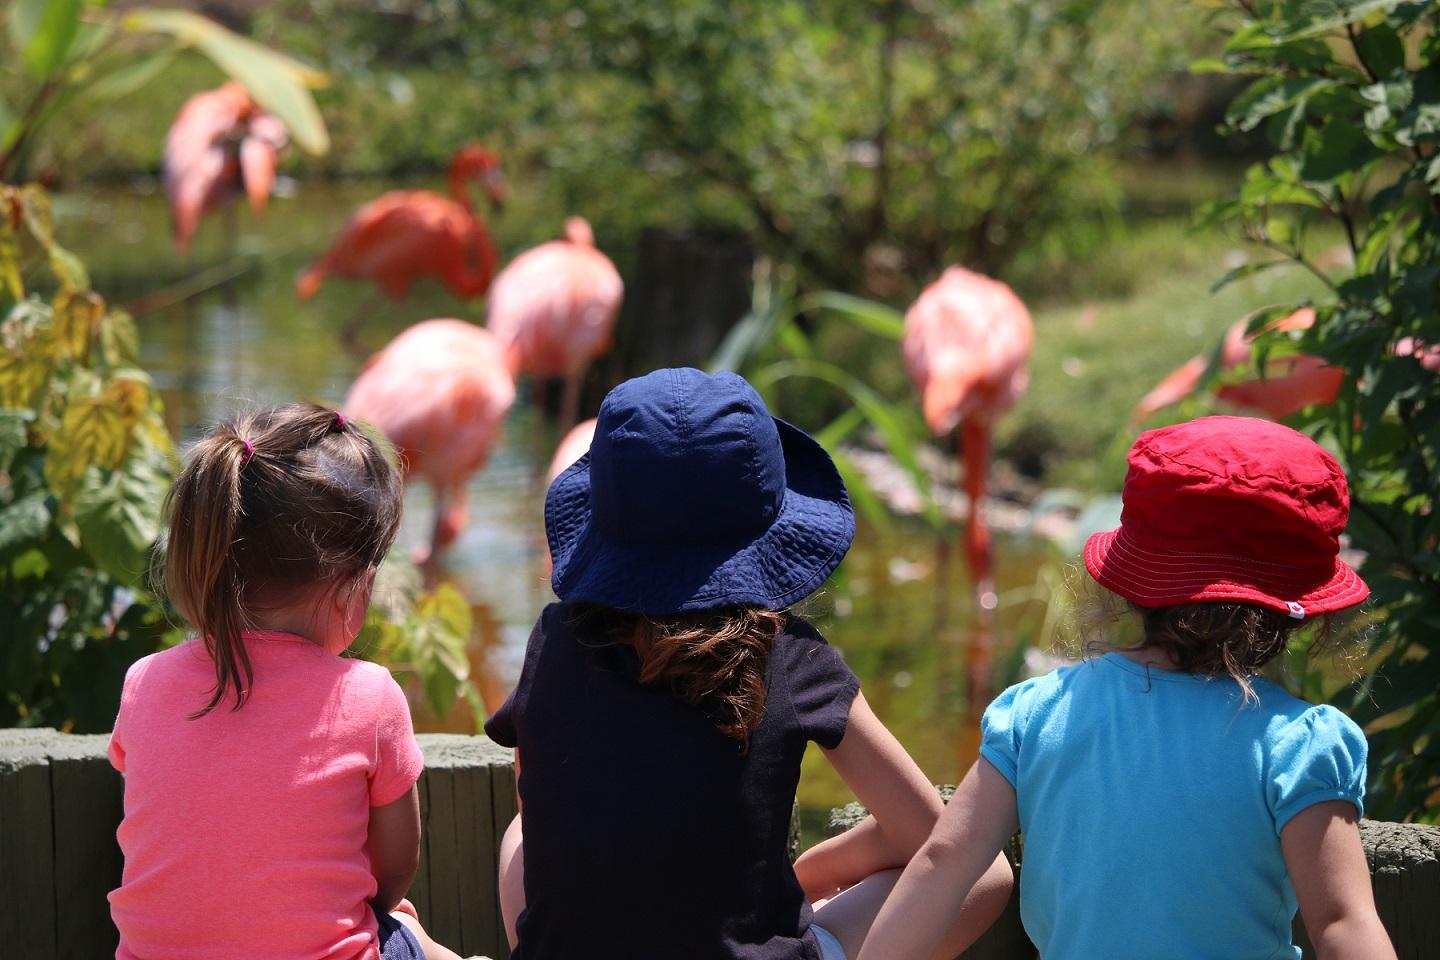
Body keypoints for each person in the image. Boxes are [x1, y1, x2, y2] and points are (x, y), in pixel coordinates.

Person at [485, 368, 1013, 960]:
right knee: (985, 876)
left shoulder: (553, 639)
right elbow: (933, 841)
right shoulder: (792, 657)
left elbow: (543, 815)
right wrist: (814, 871)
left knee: (517, 832)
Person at [857, 416, 1397, 960]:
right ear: (1296, 617)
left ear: (1133, 581)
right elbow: (1342, 923)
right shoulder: (1298, 745)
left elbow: (942, 862)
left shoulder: (1038, 713)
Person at [107, 403, 462, 960]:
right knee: (409, 932)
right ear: (354, 585)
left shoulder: (142, 682)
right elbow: (394, 872)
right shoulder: (369, 697)